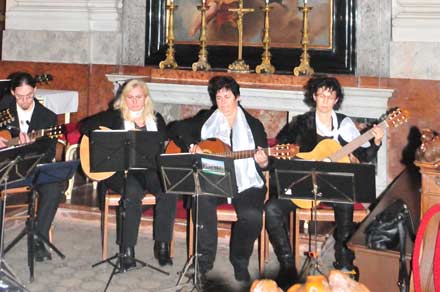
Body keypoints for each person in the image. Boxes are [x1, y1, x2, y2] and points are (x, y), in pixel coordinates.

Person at [265, 76, 384, 288]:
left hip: (333, 187)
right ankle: (288, 266)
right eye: (322, 95)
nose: (325, 101)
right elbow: (280, 151)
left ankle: (344, 263)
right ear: (314, 96)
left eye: (330, 96)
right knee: (272, 209)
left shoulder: (345, 125)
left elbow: (364, 156)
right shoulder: (301, 123)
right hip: (303, 185)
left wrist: (376, 140)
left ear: (337, 100)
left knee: (345, 202)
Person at [167, 76, 269, 284]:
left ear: (237, 97)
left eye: (227, 96)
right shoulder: (207, 118)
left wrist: (263, 161)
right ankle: (203, 262)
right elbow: (176, 128)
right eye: (218, 97)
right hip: (214, 178)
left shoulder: (254, 125)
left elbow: (269, 163)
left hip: (246, 181)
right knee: (201, 199)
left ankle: (239, 261)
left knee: (252, 216)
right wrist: (192, 146)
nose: (223, 102)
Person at [79, 79, 177, 270]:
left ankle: (163, 246)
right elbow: (84, 126)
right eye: (130, 97)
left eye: (138, 97)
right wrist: (103, 138)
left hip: (149, 169)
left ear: (146, 98)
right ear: (123, 99)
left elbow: (163, 144)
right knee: (132, 193)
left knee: (169, 190)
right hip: (120, 170)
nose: (134, 102)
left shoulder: (156, 119)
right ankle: (127, 250)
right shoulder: (114, 116)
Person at [0, 71, 64, 262]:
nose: (25, 100)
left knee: (54, 188)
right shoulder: (3, 109)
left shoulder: (47, 118)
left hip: (34, 168)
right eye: (20, 96)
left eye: (29, 95)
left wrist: (31, 147)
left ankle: (39, 237)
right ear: (12, 92)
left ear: (35, 90)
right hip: (6, 169)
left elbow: (51, 152)